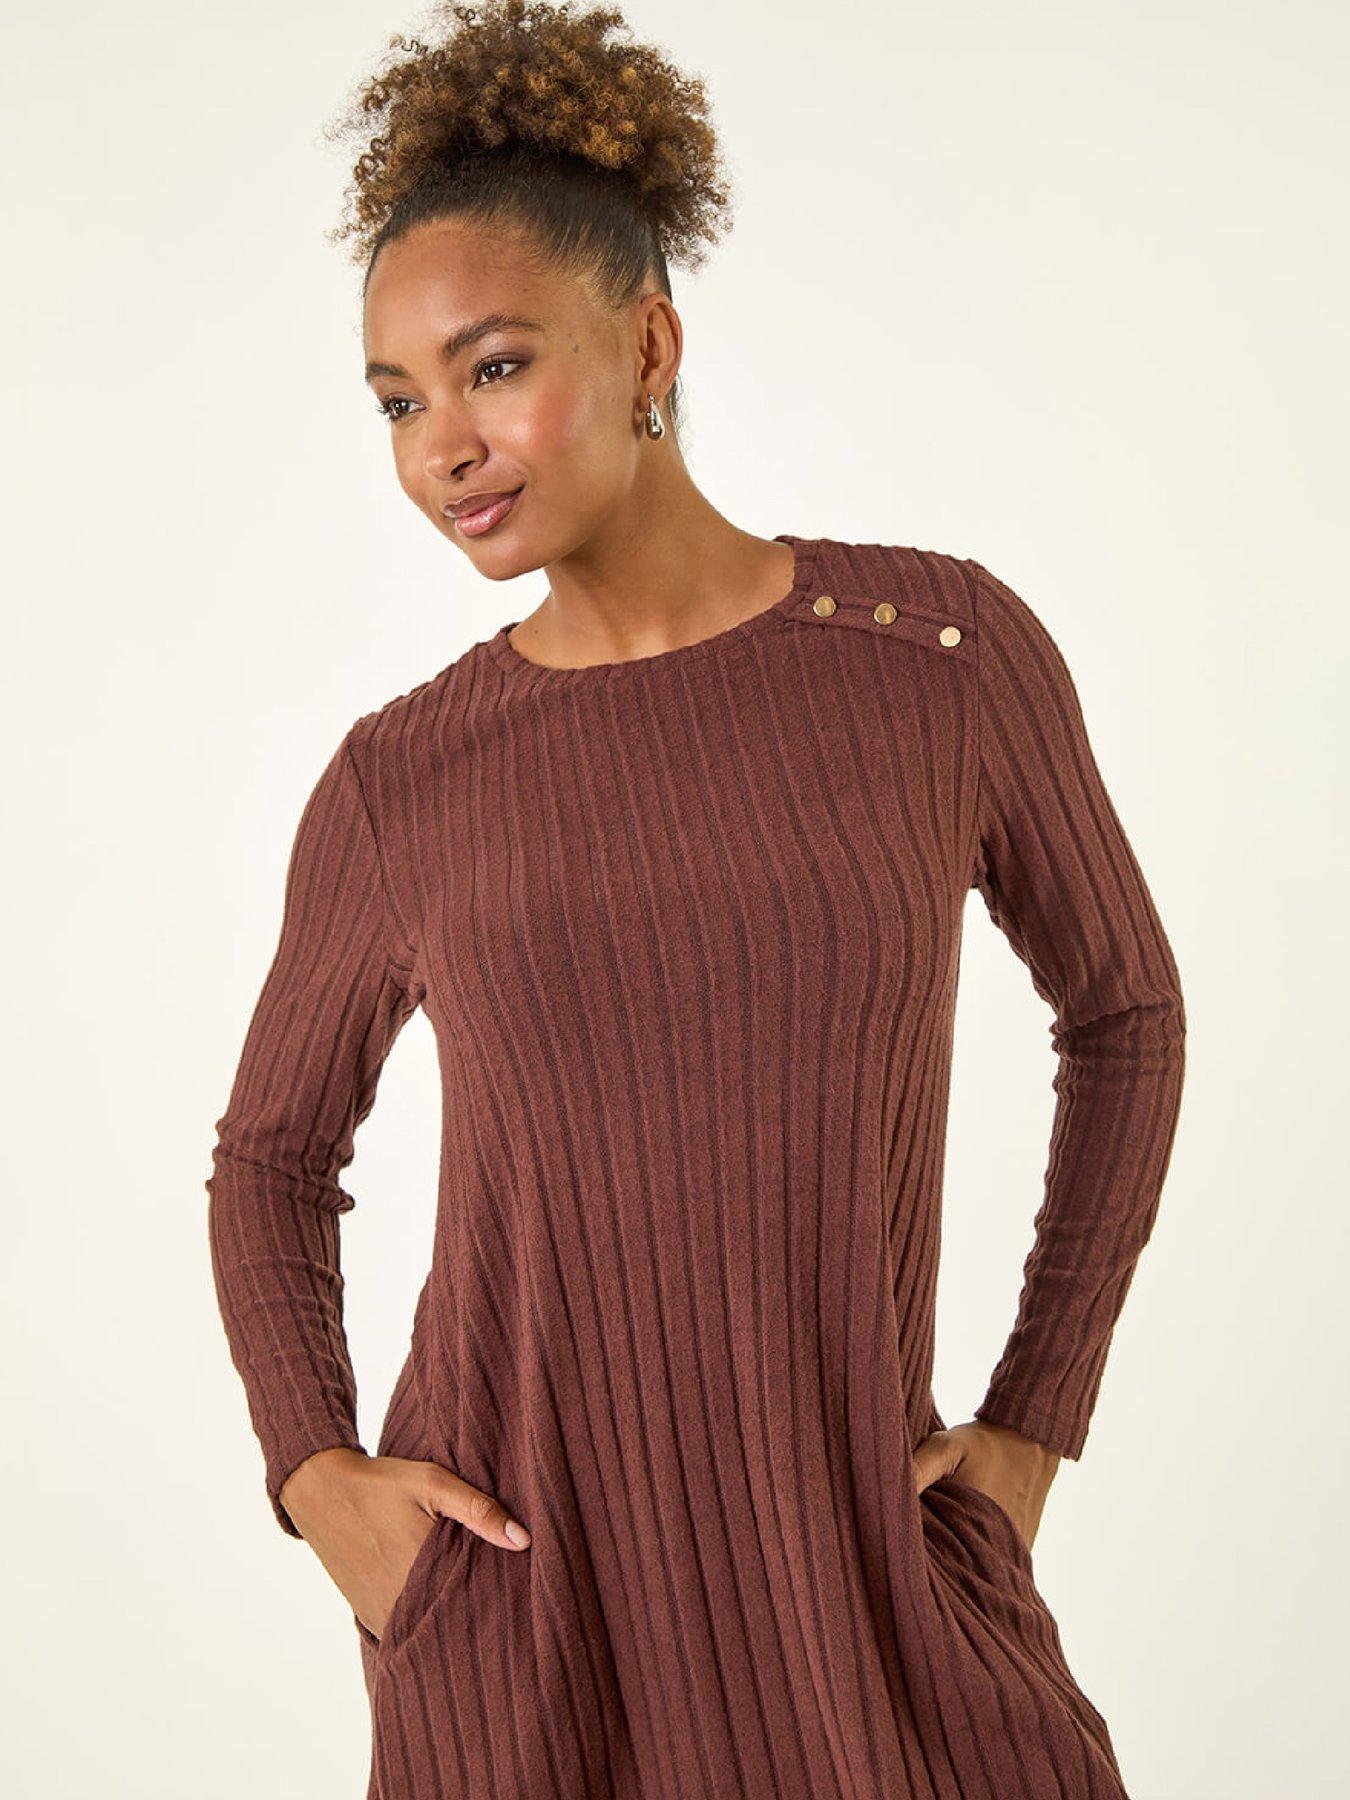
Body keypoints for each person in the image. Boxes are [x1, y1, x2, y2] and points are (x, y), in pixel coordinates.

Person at [204, 2, 1187, 1794]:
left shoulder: (936, 656)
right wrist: (316, 1474)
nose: (442, 446)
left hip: (875, 1586)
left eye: (494, 367)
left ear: (648, 340)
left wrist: (1034, 1417)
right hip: (523, 1619)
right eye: (400, 401)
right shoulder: (403, 775)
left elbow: (1122, 1013)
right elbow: (272, 1156)